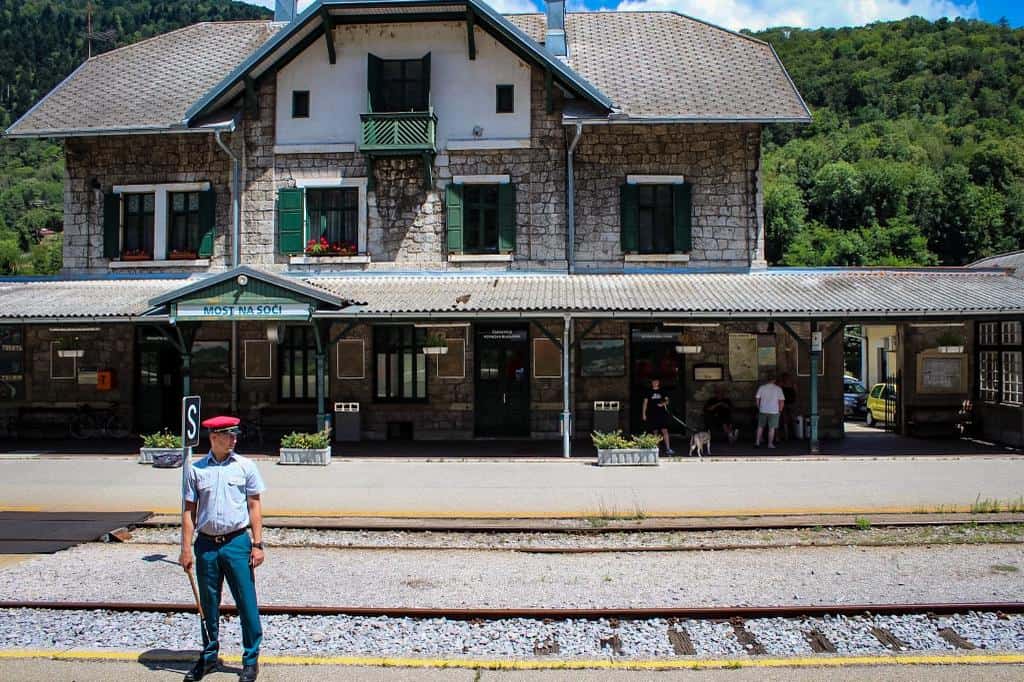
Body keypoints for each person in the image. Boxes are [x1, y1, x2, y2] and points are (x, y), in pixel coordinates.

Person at [179, 415, 266, 682]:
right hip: (206, 543)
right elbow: (188, 511)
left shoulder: (245, 466)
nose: (234, 439)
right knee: (208, 604)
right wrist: (185, 549)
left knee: (246, 602)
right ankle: (209, 656)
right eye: (228, 434)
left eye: (235, 434)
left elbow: (254, 505)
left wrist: (258, 543)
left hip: (237, 542)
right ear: (213, 438)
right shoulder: (195, 470)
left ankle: (250, 660)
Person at [642, 378, 675, 455]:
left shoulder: (663, 391)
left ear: (658, 382)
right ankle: (656, 449)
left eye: (656, 382)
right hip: (652, 414)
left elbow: (667, 401)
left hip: (662, 414)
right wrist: (644, 414)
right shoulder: (648, 392)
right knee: (655, 431)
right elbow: (645, 403)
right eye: (653, 382)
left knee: (665, 431)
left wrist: (663, 404)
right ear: (652, 383)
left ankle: (668, 448)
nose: (655, 383)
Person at [755, 375, 786, 449]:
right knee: (771, 428)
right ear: (774, 380)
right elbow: (781, 401)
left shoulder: (762, 388)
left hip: (763, 410)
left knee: (760, 427)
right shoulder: (778, 389)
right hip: (774, 411)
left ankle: (757, 442)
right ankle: (770, 444)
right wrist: (780, 410)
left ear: (767, 380)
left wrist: (759, 407)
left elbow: (757, 399)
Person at [778, 372, 798, 442]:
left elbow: (796, 393)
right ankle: (789, 435)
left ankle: (792, 435)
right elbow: (796, 393)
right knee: (786, 420)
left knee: (789, 419)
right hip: (786, 403)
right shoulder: (783, 384)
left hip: (789, 403)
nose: (786, 379)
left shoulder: (791, 384)